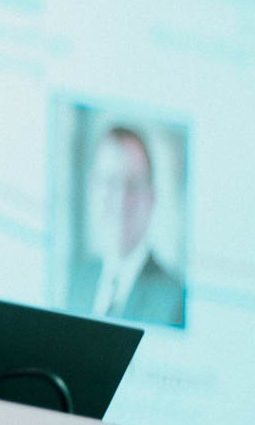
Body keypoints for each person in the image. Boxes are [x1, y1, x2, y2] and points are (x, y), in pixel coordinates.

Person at [65, 125, 185, 329]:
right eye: (110, 182)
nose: (121, 199)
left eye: (132, 184)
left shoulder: (174, 299)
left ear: (152, 197)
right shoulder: (78, 280)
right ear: (93, 188)